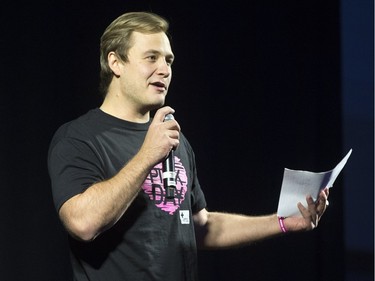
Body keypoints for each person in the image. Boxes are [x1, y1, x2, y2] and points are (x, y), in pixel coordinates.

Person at [47, 11, 329, 281]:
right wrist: (147, 156)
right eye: (151, 57)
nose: (164, 69)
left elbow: (201, 227)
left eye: (168, 60)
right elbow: (83, 224)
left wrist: (282, 222)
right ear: (115, 63)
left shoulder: (173, 140)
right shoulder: (78, 138)